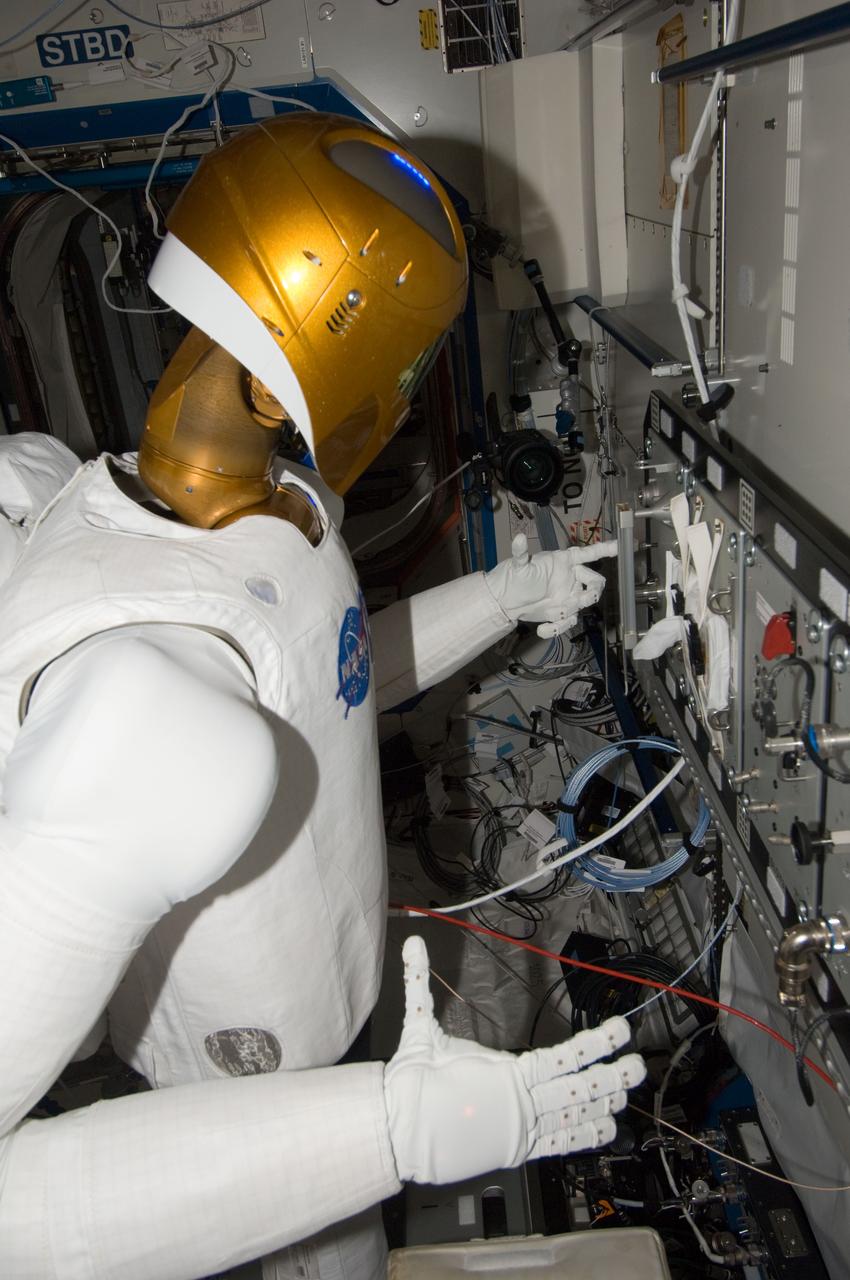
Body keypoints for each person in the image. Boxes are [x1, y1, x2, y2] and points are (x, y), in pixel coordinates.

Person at [0, 113, 643, 1280]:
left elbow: (324, 683)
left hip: (335, 999)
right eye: (397, 367)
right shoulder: (137, 697)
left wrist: (500, 598)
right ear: (294, 360)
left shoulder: (267, 514)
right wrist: (377, 1134)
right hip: (244, 1107)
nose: (399, 398)